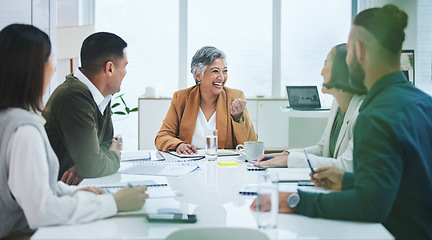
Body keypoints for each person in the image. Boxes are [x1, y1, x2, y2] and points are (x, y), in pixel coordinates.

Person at [251, 4, 432, 240]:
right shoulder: (423, 102)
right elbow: (406, 182)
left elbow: (370, 205)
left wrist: (295, 201)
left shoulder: (375, 114)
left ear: (358, 51)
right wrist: (347, 180)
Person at [0, 24, 148, 239]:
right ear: (32, 68)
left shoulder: (11, 119)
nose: (53, 69)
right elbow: (41, 211)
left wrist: (76, 191)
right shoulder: (24, 130)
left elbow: (36, 189)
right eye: (50, 60)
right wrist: (112, 203)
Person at [255, 44, 367, 171]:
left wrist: (290, 160)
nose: (321, 72)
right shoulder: (336, 104)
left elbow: (346, 166)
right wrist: (287, 155)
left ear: (341, 70)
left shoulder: (362, 112)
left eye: (325, 64)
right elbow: (322, 148)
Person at [43, 32, 128, 185]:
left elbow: (105, 143)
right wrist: (113, 156)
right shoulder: (74, 97)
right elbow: (94, 163)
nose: (126, 73)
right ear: (110, 68)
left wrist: (85, 166)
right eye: (124, 66)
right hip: (54, 194)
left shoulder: (102, 96)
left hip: (77, 188)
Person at [155, 46, 257, 154]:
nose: (222, 78)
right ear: (198, 75)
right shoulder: (181, 98)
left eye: (225, 71)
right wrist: (179, 145)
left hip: (224, 164)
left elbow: (251, 144)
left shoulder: (235, 97)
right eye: (215, 71)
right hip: (190, 162)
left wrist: (238, 118)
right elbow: (162, 137)